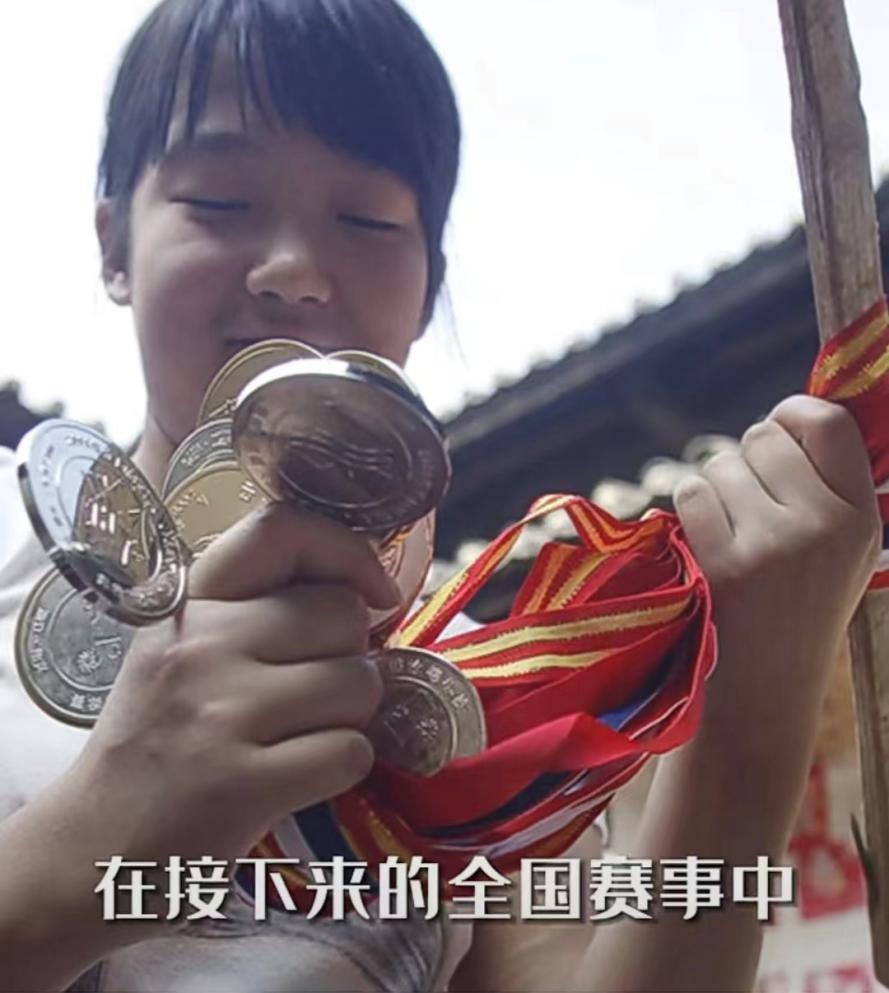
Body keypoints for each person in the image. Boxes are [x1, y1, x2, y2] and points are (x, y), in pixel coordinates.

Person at [0, 1, 881, 990]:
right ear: (115, 240)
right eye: (218, 202)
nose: (292, 270)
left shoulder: (482, 692)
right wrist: (87, 844)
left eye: (366, 219)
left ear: (427, 285)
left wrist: (749, 707)